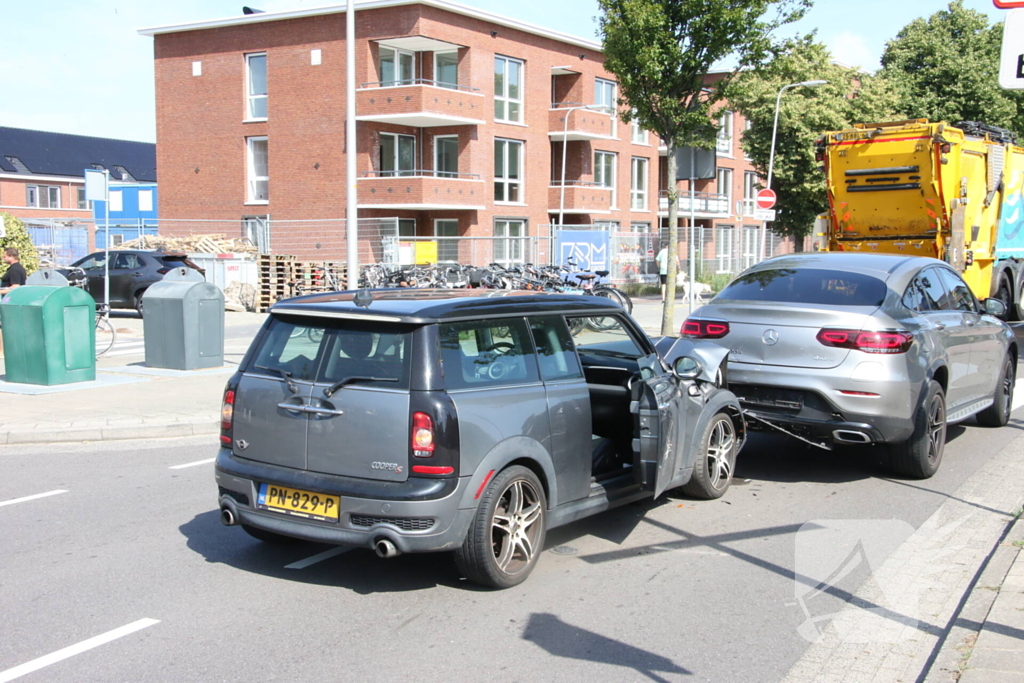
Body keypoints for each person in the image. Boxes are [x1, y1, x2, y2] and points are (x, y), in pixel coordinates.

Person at [0, 247, 28, 357]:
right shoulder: (15, 268)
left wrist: (1, 291)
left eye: (5, 256)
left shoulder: (15, 270)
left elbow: (15, 287)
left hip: (9, 299)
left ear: (11, 256)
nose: (3, 258)